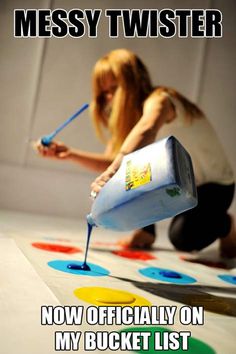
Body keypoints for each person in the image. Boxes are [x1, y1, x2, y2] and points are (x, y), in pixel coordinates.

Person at [37, 48, 236, 257]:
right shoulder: (132, 120)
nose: (109, 99)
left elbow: (146, 131)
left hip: (215, 187)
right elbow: (112, 161)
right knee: (132, 172)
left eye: (114, 88)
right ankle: (146, 231)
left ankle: (227, 225)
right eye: (103, 94)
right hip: (180, 184)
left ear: (134, 82)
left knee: (183, 239)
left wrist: (112, 171)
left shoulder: (161, 99)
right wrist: (70, 154)